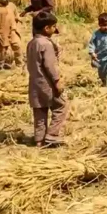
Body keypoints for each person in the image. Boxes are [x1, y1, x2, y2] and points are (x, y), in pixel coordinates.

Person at [26, 11, 67, 147]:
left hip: (34, 83)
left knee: (40, 111)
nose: (55, 29)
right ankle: (52, 135)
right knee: (61, 106)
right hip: (47, 83)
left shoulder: (32, 43)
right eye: (53, 26)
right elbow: (50, 65)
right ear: (46, 28)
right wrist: (57, 81)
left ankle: (39, 139)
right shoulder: (46, 44)